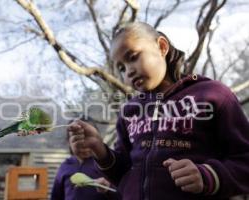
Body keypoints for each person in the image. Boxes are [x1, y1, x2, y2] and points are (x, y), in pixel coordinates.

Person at [67, 22, 249, 200]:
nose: (128, 71)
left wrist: (208, 176)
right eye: (121, 68)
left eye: (133, 57)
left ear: (162, 47)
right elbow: (124, 173)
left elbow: (244, 160)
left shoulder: (212, 94)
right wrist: (100, 151)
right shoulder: (130, 111)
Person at [50, 120, 120, 200]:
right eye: (77, 141)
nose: (84, 146)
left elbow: (122, 195)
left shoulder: (105, 165)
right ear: (69, 142)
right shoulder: (65, 166)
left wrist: (108, 189)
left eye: (88, 141)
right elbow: (56, 196)